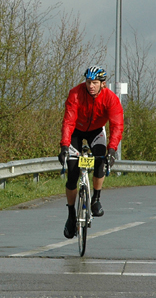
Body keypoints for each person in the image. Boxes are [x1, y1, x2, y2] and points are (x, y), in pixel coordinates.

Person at [58, 66, 124, 239]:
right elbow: (68, 121)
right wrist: (65, 146)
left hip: (96, 131)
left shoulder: (111, 98)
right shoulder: (76, 94)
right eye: (88, 82)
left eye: (94, 83)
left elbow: (117, 125)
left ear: (103, 84)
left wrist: (112, 150)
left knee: (101, 160)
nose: (91, 86)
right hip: (76, 132)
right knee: (72, 174)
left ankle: (96, 198)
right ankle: (71, 215)